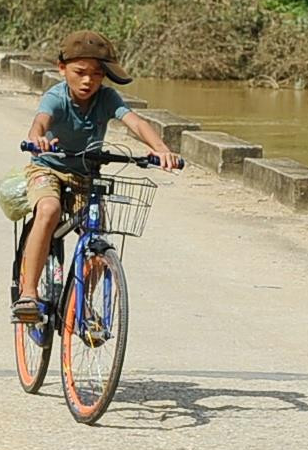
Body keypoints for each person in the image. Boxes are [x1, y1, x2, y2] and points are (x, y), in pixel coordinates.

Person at [13, 30, 183, 325]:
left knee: (95, 232)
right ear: (62, 68)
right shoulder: (56, 97)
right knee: (49, 210)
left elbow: (136, 123)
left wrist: (161, 150)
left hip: (85, 173)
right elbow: (40, 122)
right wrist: (37, 139)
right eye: (80, 72)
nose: (88, 81)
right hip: (48, 168)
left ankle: (82, 306)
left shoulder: (106, 98)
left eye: (96, 74)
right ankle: (28, 293)